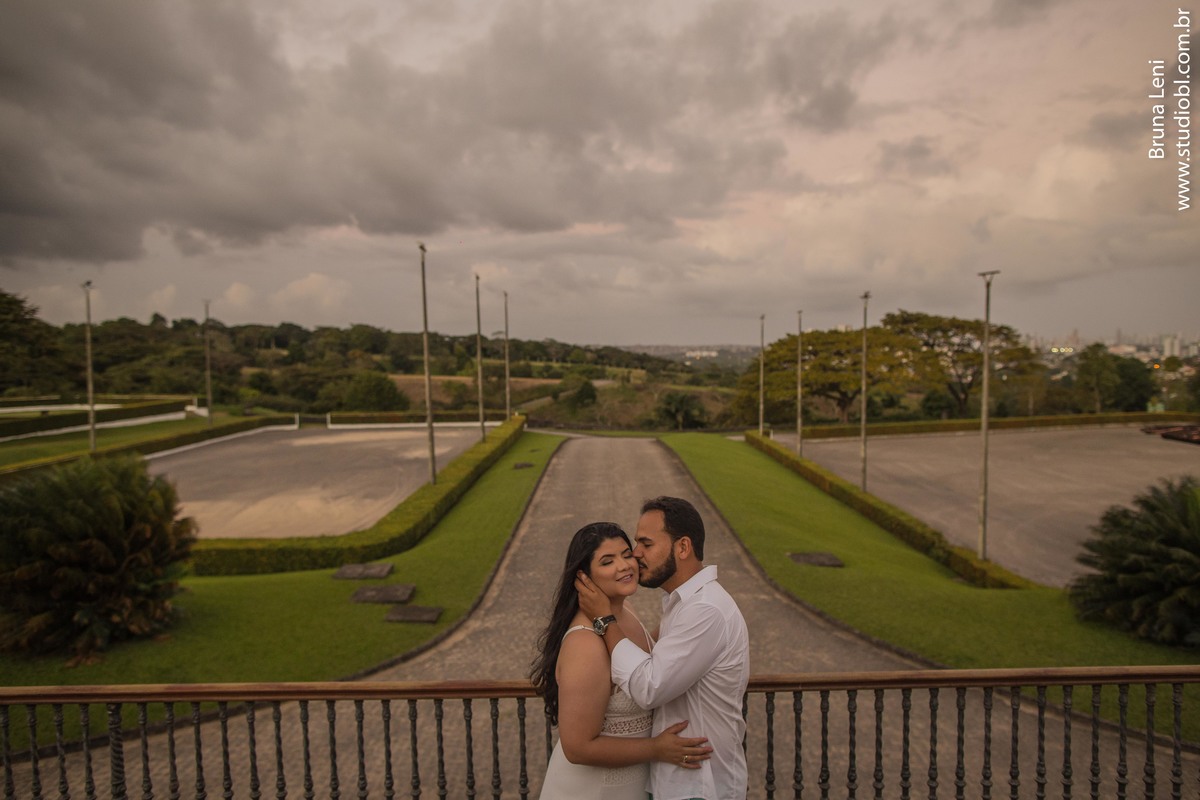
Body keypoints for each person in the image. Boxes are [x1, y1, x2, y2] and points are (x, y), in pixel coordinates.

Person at [575, 497, 750, 800]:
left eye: (646, 544)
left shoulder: (704, 610)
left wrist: (604, 619)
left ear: (683, 547)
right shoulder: (682, 603)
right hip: (680, 782)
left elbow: (649, 686)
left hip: (700, 786)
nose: (635, 554)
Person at [531, 521, 713, 800]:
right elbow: (577, 747)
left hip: (632, 787)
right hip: (590, 791)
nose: (624, 566)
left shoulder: (625, 610)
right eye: (608, 561)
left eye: (627, 555)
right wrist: (657, 749)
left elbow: (650, 657)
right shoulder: (584, 645)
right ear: (584, 577)